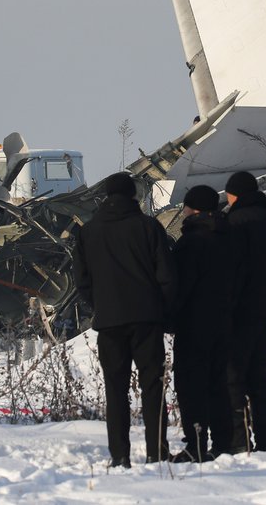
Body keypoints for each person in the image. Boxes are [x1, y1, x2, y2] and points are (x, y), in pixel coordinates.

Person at [72, 172, 177, 468]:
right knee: (153, 385)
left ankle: (119, 455)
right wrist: (162, 310)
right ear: (133, 195)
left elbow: (81, 280)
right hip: (146, 319)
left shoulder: (88, 232)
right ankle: (157, 451)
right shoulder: (148, 227)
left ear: (106, 196)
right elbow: (166, 276)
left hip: (109, 322)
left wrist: (101, 306)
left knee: (115, 389)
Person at [223, 171, 266, 454]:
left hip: (237, 314)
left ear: (234, 195)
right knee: (259, 379)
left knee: (234, 378)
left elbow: (229, 272)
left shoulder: (232, 225)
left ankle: (239, 442)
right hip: (263, 315)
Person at [169, 184, 236, 463]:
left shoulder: (190, 243)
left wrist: (170, 316)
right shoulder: (232, 238)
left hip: (194, 325)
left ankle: (195, 444)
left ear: (192, 209)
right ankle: (224, 442)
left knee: (192, 386)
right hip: (227, 322)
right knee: (220, 384)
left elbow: (180, 287)